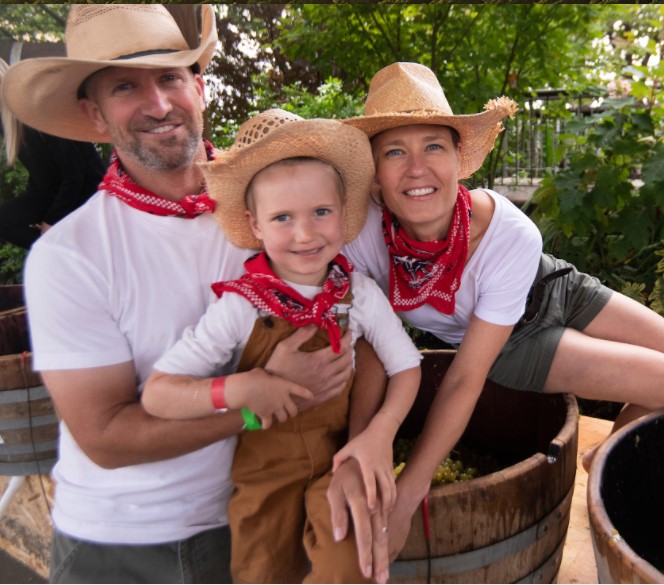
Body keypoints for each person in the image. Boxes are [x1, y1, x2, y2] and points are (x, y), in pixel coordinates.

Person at [1, 5, 387, 583]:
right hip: (123, 546)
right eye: (126, 87)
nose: (158, 105)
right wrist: (267, 403)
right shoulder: (72, 256)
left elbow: (368, 330)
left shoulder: (283, 211)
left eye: (170, 78)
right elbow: (105, 436)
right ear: (95, 114)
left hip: (265, 510)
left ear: (200, 89)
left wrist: (358, 451)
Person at [341, 62, 664, 558]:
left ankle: (600, 460)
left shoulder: (510, 233)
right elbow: (437, 367)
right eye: (395, 151)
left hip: (555, 283)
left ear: (459, 157)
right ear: (375, 170)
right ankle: (611, 484)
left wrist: (406, 489)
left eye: (433, 145)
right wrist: (387, 471)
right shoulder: (361, 235)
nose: (416, 168)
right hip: (514, 344)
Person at [140, 109, 422, 583]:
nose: (305, 233)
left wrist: (379, 433)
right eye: (283, 218)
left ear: (344, 212)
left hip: (339, 465)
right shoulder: (241, 306)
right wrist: (241, 389)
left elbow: (407, 367)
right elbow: (158, 394)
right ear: (256, 226)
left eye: (321, 213)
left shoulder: (360, 294)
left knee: (351, 566)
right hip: (263, 482)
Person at [0, 58, 105, 248]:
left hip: (87, 191)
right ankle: (62, 252)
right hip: (55, 191)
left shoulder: (38, 110)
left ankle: (67, 252)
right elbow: (42, 171)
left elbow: (75, 174)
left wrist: (51, 220)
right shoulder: (7, 122)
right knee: (5, 220)